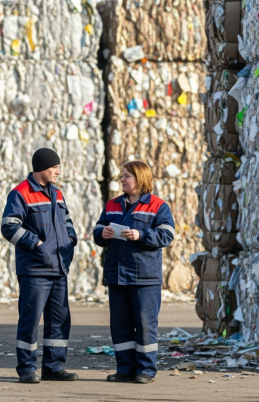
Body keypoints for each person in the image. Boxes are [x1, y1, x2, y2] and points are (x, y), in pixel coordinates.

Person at [0, 148, 79, 384]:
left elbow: (67, 222)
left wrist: (70, 240)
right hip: (35, 269)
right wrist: (36, 243)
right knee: (30, 319)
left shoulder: (58, 193)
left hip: (58, 267)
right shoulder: (20, 193)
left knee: (59, 320)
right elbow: (9, 227)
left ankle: (53, 366)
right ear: (43, 168)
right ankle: (26, 368)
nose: (58, 171)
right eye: (55, 167)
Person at [93, 161, 175, 384]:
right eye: (122, 175)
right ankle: (125, 369)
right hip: (117, 274)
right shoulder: (112, 205)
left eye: (127, 176)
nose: (122, 179)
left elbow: (166, 235)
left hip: (144, 277)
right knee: (120, 325)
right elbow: (97, 230)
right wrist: (104, 233)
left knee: (145, 324)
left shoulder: (158, 206)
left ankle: (146, 370)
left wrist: (141, 236)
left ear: (140, 179)